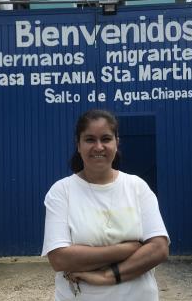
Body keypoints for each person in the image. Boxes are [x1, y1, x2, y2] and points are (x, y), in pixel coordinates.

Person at [42, 109, 170, 300]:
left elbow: (159, 249)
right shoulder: (61, 192)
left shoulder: (137, 187)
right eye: (90, 139)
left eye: (106, 139)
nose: (99, 147)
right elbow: (60, 259)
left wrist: (106, 276)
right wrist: (128, 249)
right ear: (78, 145)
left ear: (117, 143)